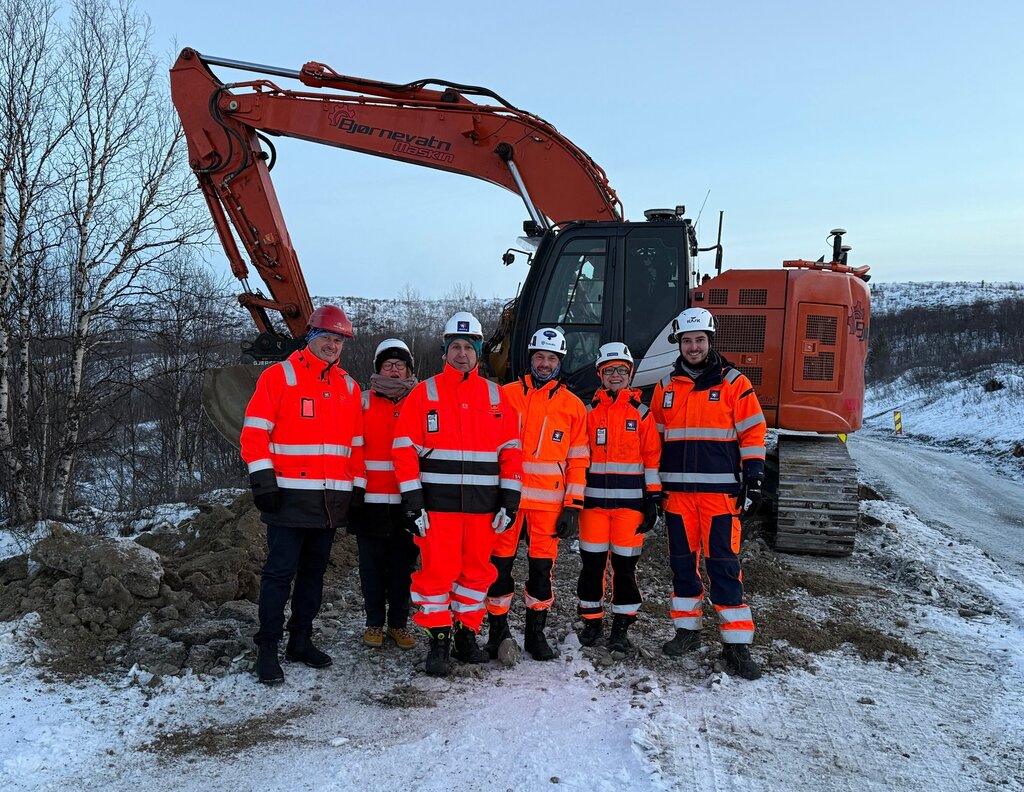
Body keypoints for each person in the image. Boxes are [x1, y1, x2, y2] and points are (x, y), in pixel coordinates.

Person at [392, 312, 523, 677]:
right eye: (456, 347)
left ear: (478, 351)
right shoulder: (425, 393)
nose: (462, 354)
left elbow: (511, 452)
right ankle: (439, 641)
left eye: (468, 347)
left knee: (476, 575)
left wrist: (510, 500)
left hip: (483, 510)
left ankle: (467, 635)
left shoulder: (496, 396)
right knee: (436, 575)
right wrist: (412, 502)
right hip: (438, 510)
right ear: (445, 351)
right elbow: (403, 450)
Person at [240, 304, 365, 685]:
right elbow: (254, 433)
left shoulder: (349, 387)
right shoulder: (280, 376)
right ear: (310, 336)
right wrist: (263, 481)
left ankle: (300, 640)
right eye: (327, 337)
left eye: (339, 340)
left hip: (329, 502)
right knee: (279, 574)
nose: (333, 345)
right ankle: (267, 648)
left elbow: (356, 446)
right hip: (287, 498)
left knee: (313, 575)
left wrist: (357, 489)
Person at [651, 307, 766, 680]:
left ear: (710, 341)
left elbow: (753, 432)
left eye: (699, 340)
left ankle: (736, 646)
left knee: (723, 567)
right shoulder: (665, 388)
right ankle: (687, 631)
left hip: (719, 497)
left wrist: (754, 477)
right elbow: (654, 441)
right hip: (677, 498)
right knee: (682, 566)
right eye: (687, 341)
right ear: (679, 345)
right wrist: (652, 487)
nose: (694, 347)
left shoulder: (734, 383)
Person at [485, 327, 589, 661]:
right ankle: (497, 633)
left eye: (551, 358)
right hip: (508, 502)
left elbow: (578, 460)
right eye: (540, 357)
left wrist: (572, 506)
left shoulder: (573, 406)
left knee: (541, 572)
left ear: (560, 362)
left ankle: (535, 634)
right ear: (531, 358)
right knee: (499, 568)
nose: (544, 364)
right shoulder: (507, 395)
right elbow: (490, 447)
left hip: (549, 506)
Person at [576, 342, 661, 652]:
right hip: (592, 506)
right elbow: (577, 458)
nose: (615, 375)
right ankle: (592, 623)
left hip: (630, 508)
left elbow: (652, 460)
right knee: (592, 567)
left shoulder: (642, 414)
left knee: (625, 570)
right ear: (599, 374)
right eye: (609, 370)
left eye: (621, 370)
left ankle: (621, 628)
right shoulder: (587, 413)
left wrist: (652, 500)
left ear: (630, 374)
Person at [348, 338, 420, 652]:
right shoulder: (361, 402)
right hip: (370, 503)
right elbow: (352, 447)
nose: (394, 370)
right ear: (379, 369)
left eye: (399, 365)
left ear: (408, 369)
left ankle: (399, 624)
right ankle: (374, 623)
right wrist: (355, 488)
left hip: (408, 503)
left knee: (403, 568)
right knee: (372, 569)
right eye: (388, 365)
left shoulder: (419, 402)